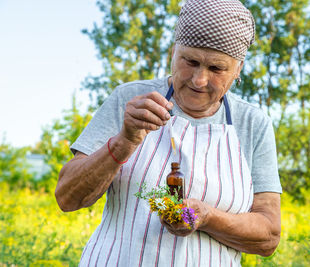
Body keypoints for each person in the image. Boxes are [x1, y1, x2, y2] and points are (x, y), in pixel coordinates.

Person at [55, 0, 282, 266]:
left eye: (216, 69)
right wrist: (123, 142)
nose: (199, 79)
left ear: (238, 69)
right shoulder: (130, 99)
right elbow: (67, 197)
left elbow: (268, 236)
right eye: (190, 61)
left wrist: (207, 217)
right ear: (173, 52)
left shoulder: (252, 123)